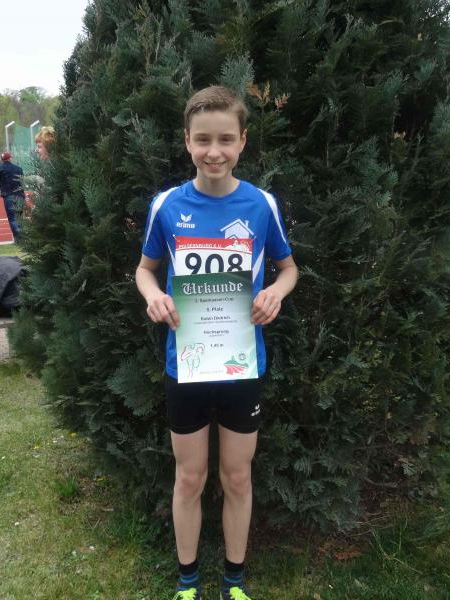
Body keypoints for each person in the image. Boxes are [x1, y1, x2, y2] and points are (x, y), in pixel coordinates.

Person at [135, 86, 298, 600]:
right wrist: (154, 296)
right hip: (185, 363)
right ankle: (187, 583)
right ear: (187, 141)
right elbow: (144, 270)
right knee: (189, 477)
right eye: (203, 139)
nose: (214, 151)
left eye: (225, 139)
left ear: (242, 142)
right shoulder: (166, 205)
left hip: (240, 364)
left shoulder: (261, 204)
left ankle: (234, 582)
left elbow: (289, 268)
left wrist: (275, 292)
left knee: (236, 477)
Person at [0, 151, 25, 241]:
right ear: (10, 158)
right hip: (20, 195)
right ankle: (22, 237)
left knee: (12, 218)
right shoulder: (18, 168)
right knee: (19, 217)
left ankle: (19, 238)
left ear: (2, 159)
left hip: (8, 195)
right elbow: (22, 181)